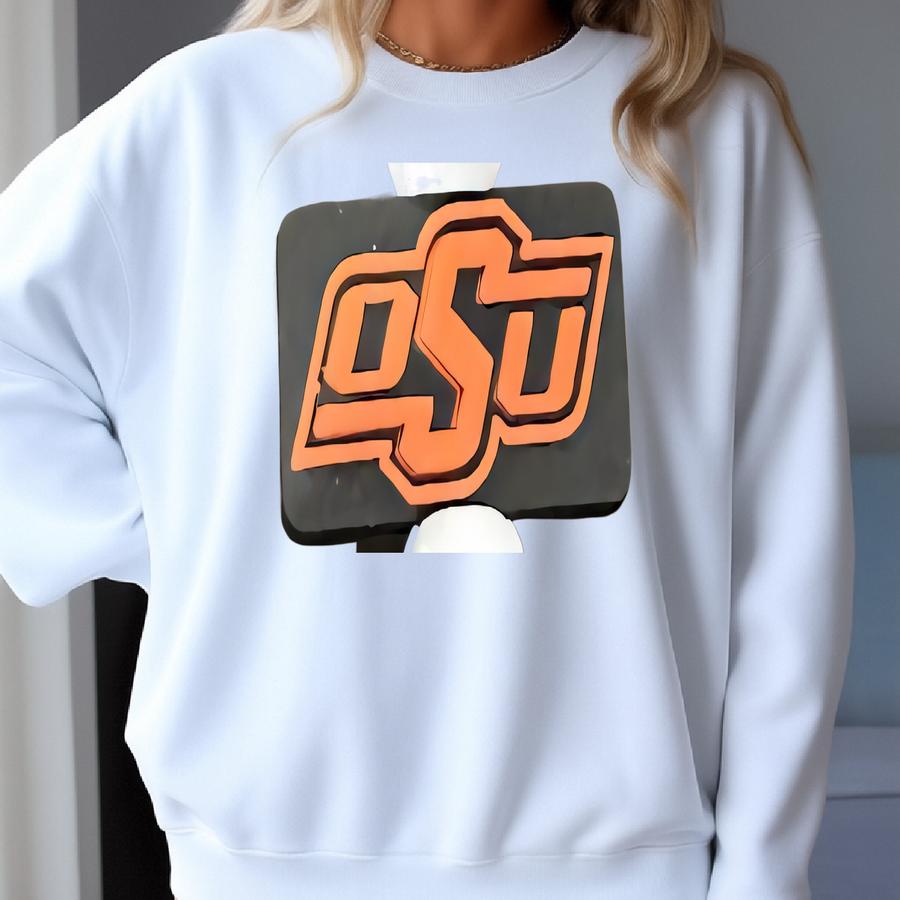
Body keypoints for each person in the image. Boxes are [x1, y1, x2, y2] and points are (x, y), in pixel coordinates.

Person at [0, 1, 855, 898]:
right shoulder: (203, 115)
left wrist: (763, 877)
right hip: (262, 871)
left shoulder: (714, 130)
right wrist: (190, 547)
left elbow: (786, 557)